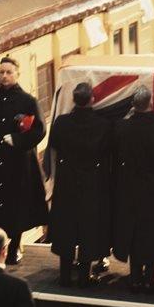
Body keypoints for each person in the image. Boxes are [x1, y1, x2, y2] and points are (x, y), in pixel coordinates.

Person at [0, 56, 48, 265]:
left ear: (17, 74)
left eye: (8, 72)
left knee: (17, 204)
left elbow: (39, 130)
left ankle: (14, 248)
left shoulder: (28, 101)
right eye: (1, 72)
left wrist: (17, 140)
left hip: (18, 163)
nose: (4, 76)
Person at [48, 83, 113, 287]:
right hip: (92, 181)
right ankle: (85, 276)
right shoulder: (103, 125)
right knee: (88, 227)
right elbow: (106, 151)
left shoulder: (61, 123)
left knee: (66, 227)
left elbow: (55, 144)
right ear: (92, 99)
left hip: (67, 180)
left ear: (74, 100)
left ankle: (65, 275)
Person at [113, 86, 154, 293]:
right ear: (151, 104)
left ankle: (135, 276)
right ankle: (151, 278)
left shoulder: (121, 128)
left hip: (128, 187)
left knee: (134, 232)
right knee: (152, 234)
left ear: (133, 105)